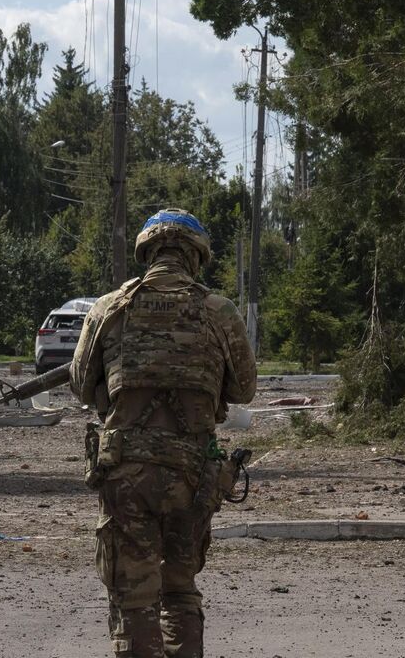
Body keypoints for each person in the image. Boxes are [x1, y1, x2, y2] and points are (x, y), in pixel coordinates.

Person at [70, 208, 258, 658]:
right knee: (180, 588)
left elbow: (80, 382)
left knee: (134, 595)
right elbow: (244, 388)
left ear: (148, 251)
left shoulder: (109, 309)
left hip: (128, 474)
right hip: (193, 476)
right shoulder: (219, 312)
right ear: (196, 256)